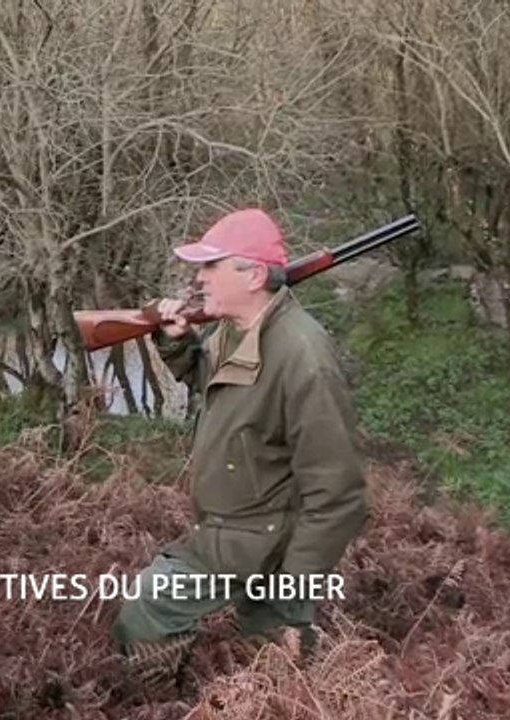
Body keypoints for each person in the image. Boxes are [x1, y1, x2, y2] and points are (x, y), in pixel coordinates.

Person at [112, 207, 368, 688]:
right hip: (236, 524)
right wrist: (177, 343)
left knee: (149, 609)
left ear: (252, 276)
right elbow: (219, 388)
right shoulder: (237, 327)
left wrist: (297, 579)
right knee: (273, 664)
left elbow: (339, 493)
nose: (198, 276)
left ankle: (147, 701)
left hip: (260, 538)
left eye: (211, 266)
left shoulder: (303, 357)